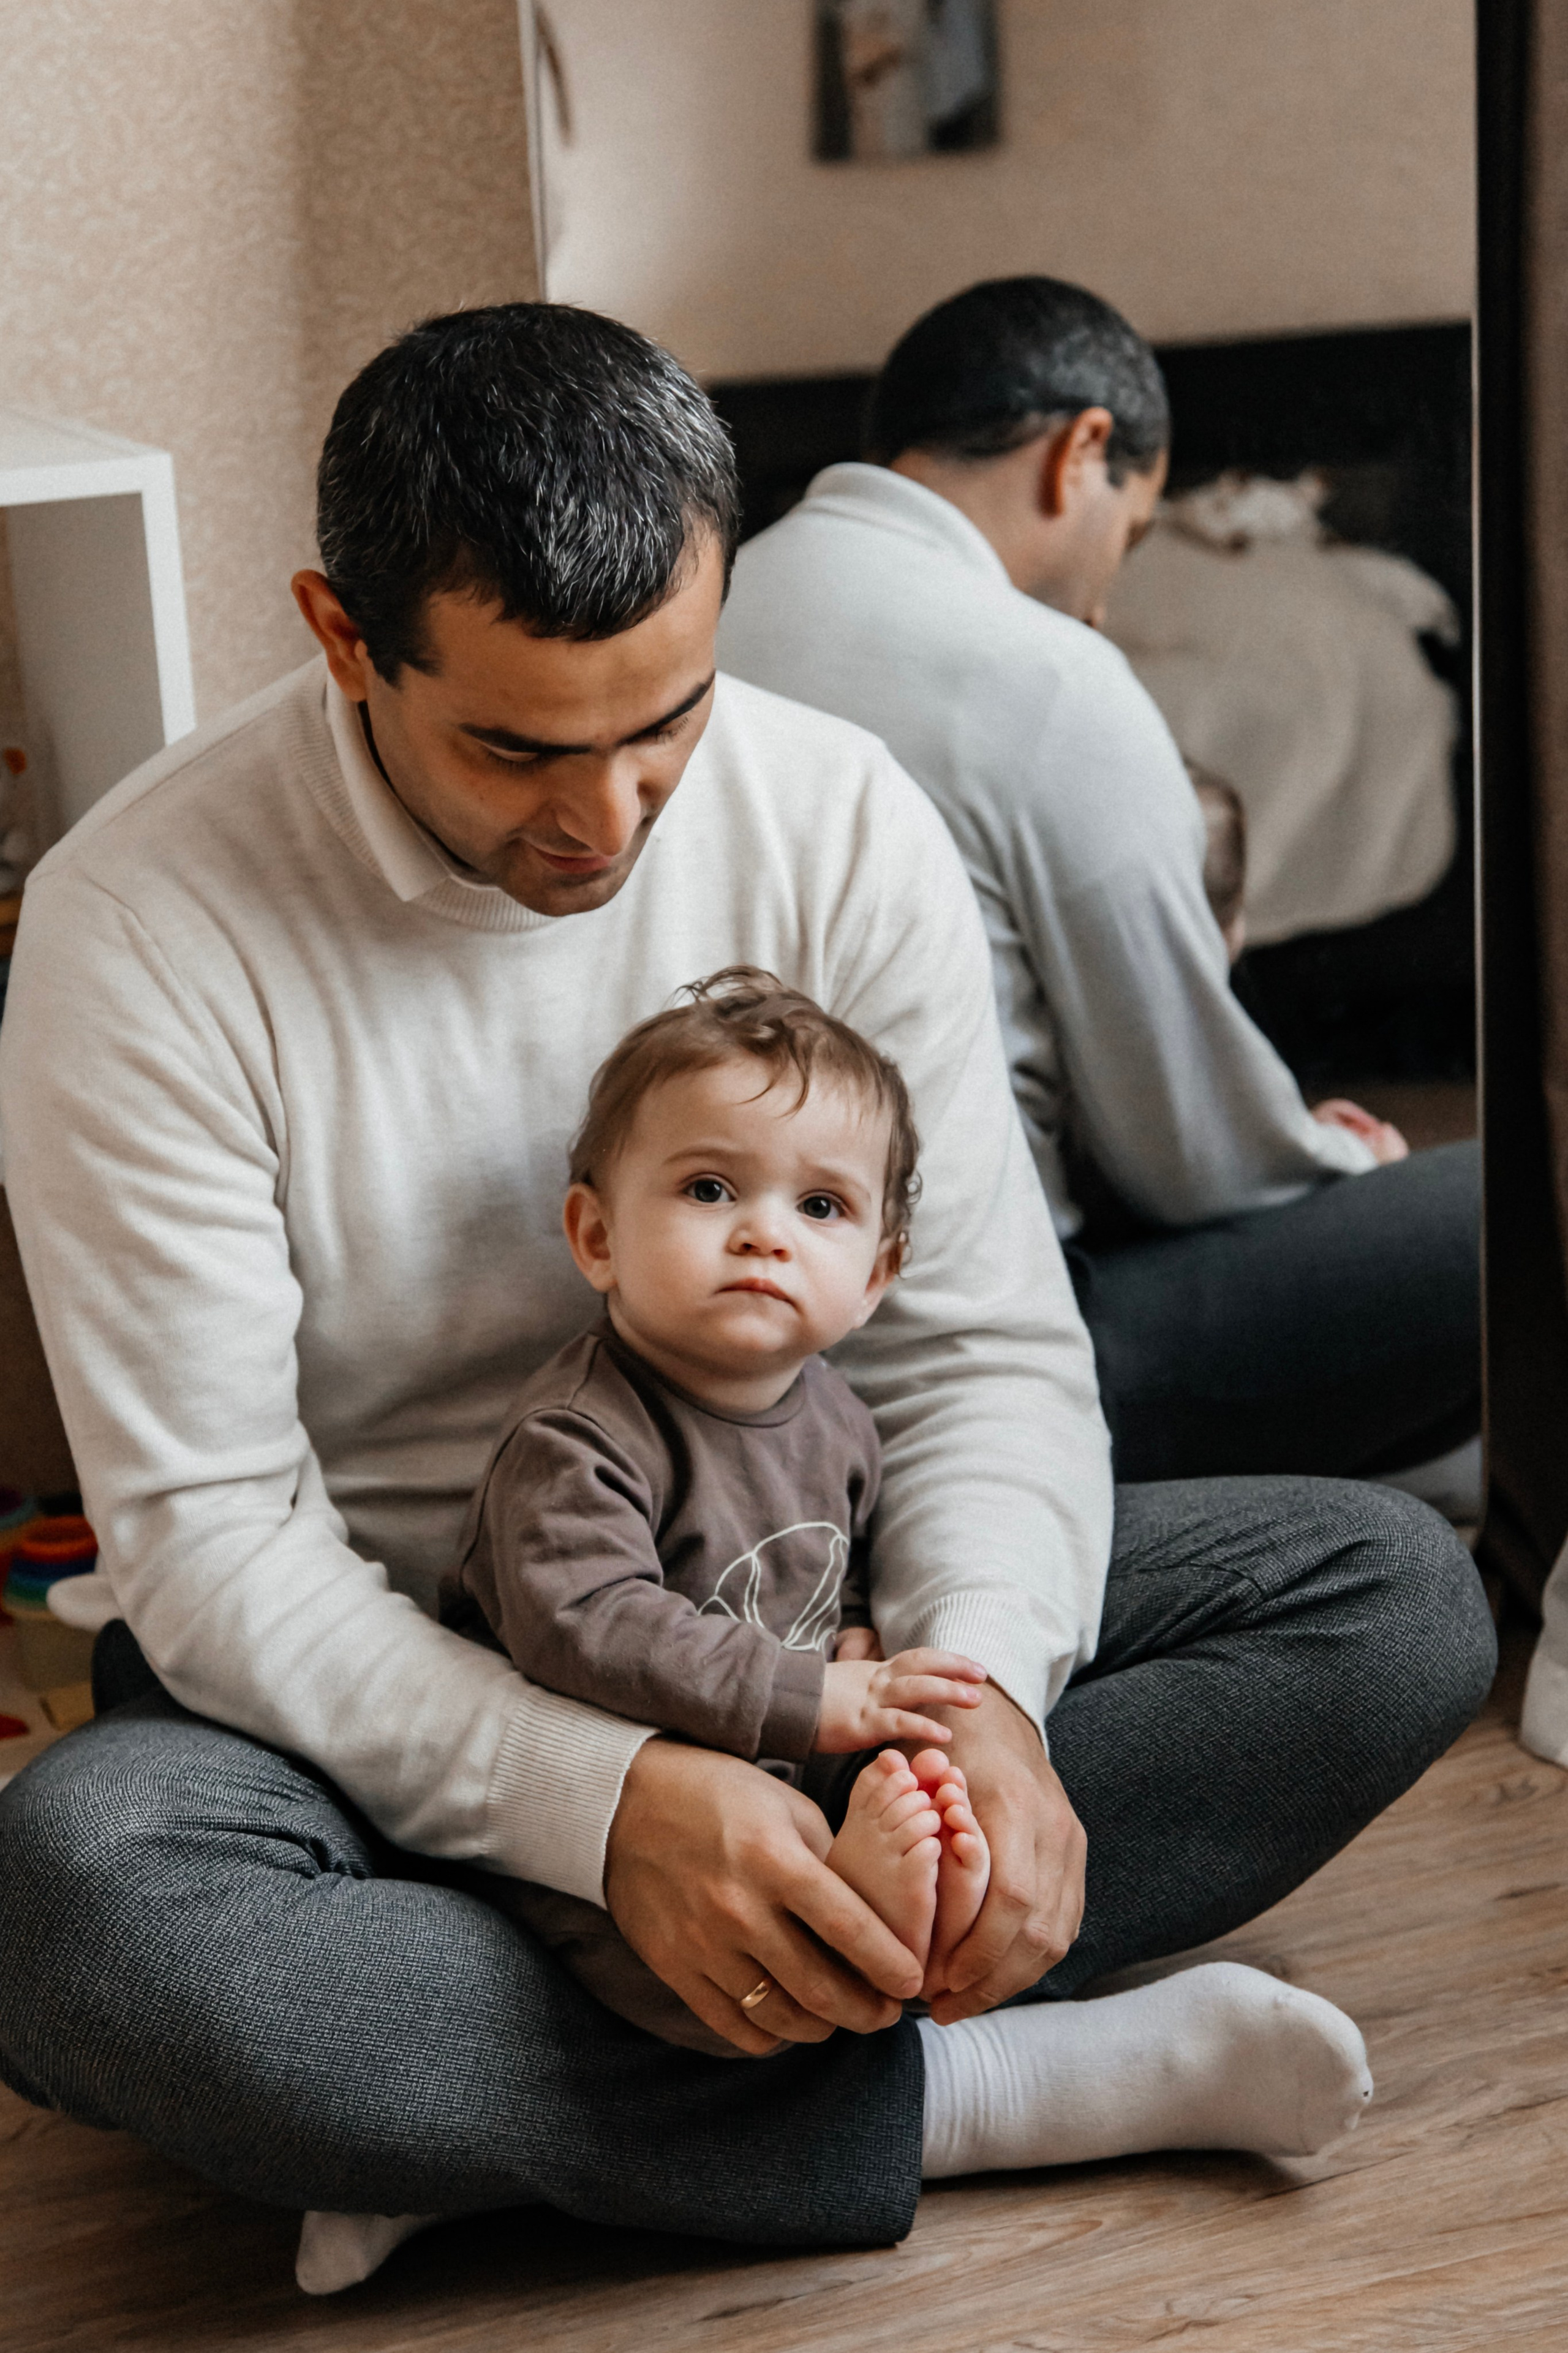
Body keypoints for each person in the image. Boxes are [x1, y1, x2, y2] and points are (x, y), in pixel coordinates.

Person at [0, 305, 1491, 2300]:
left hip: (809, 1617)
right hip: (365, 1675)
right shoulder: (142, 920)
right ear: (345, 638)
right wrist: (598, 1804)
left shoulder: (836, 807)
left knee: (1391, 1595)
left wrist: (982, 1716)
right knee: (81, 1905)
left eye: (664, 723)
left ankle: (499, 2114)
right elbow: (216, 1542)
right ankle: (991, 2089)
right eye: (520, 746)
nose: (610, 821)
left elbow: (973, 1346)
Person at [717, 276, 1481, 1491]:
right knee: (1501, 1198)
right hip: (983, 1352)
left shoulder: (706, 613)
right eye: (1127, 532)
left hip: (723, 1329)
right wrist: (1344, 1171)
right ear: (1080, 450)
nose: (1108, 595)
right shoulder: (1048, 675)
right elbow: (1186, 1153)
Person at [441, 966, 995, 2049]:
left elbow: (845, 1560)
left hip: (777, 1772)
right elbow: (584, 1622)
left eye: (821, 1206)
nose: (763, 1233)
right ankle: (885, 2016)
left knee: (943, 1784)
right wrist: (817, 1694)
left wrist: (857, 1646)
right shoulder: (577, 1435)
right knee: (636, 1991)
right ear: (596, 1236)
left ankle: (901, 1938)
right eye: (709, 1189)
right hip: (595, 1840)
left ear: (877, 1274)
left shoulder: (841, 1417)